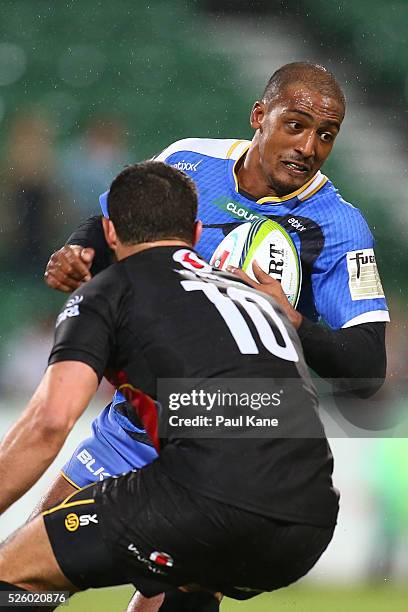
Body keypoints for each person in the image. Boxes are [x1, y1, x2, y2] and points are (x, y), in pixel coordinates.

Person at [40, 62, 389, 610]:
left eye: (326, 135)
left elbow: (367, 366)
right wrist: (81, 252)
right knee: (33, 570)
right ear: (259, 116)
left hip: (230, 428)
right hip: (140, 420)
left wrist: (292, 320)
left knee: (169, 600)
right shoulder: (187, 162)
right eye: (295, 125)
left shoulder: (339, 226)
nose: (309, 146)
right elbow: (110, 221)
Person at [0, 161, 339, 611]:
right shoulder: (258, 301)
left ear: (110, 231)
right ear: (197, 233)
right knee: (185, 580)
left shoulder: (111, 290)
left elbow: (49, 422)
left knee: (17, 571)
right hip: (309, 521)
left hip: (210, 499)